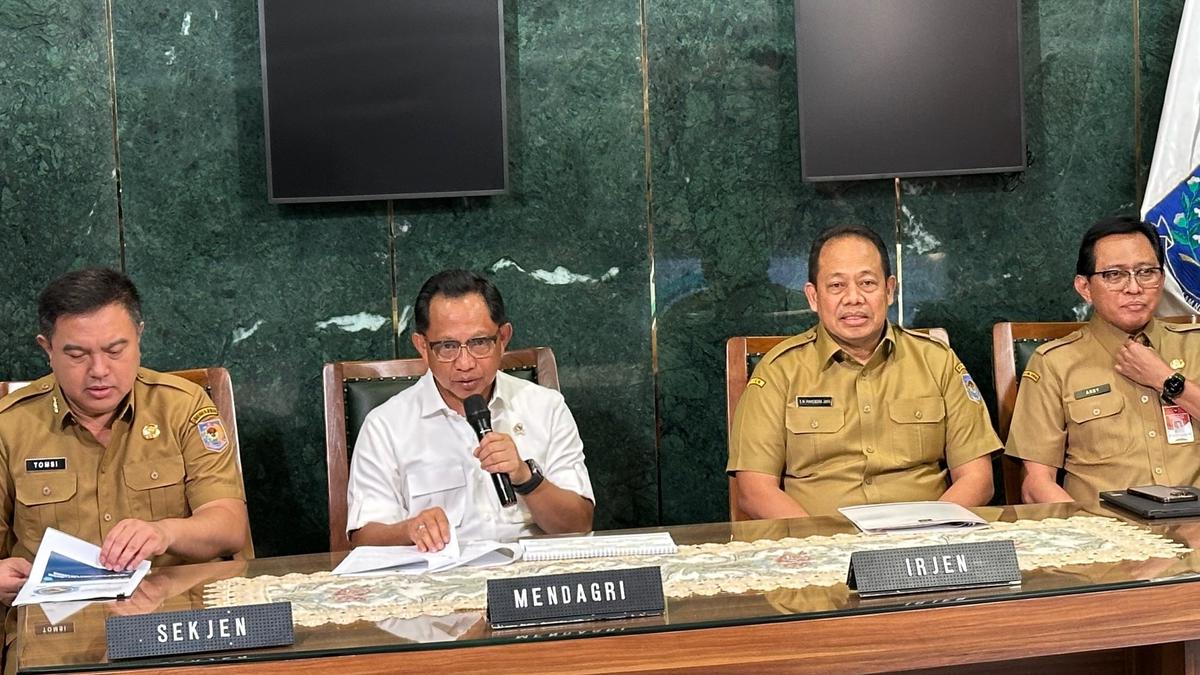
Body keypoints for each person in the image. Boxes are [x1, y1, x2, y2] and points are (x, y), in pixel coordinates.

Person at [0, 268, 249, 605]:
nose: (99, 370)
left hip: (171, 614)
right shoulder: (9, 425)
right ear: (48, 349)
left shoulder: (182, 407)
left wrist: (164, 532)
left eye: (115, 350)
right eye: (77, 355)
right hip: (55, 621)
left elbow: (229, 527)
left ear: (139, 336)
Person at [727, 225, 1000, 518]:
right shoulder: (779, 371)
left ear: (889, 290)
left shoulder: (937, 361)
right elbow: (755, 491)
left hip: (926, 536)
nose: (853, 298)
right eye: (836, 286)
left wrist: (925, 532)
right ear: (813, 297)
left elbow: (977, 478)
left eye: (867, 283)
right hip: (818, 540)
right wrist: (823, 540)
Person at [346, 270, 594, 551]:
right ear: (422, 347)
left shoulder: (546, 408)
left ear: (503, 338)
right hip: (440, 574)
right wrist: (409, 529)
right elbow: (363, 538)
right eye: (448, 346)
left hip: (530, 572)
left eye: (479, 343)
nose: (465, 363)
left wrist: (526, 477)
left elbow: (579, 524)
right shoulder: (386, 425)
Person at [1006, 215, 1200, 503]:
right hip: (1101, 523)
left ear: (1161, 279)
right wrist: (1090, 529)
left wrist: (1166, 380)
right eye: (1114, 275)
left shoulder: (1195, 345)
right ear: (1085, 288)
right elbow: (1036, 484)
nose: (1134, 288)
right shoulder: (1055, 363)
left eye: (1146, 272)